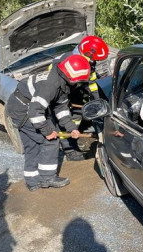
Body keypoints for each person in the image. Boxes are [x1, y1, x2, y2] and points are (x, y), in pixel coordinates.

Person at [6, 54, 91, 191]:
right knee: (51, 139)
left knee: (32, 145)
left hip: (20, 107)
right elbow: (35, 112)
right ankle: (47, 178)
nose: (79, 84)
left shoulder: (61, 81)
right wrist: (47, 131)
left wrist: (71, 128)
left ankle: (32, 181)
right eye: (78, 81)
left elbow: (61, 109)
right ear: (71, 77)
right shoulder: (51, 85)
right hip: (23, 110)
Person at [53, 35, 110, 161]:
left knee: (76, 118)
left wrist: (98, 101)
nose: (94, 62)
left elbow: (92, 83)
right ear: (88, 52)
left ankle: (73, 136)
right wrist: (62, 102)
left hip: (75, 92)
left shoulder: (89, 61)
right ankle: (69, 149)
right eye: (93, 59)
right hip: (60, 94)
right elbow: (55, 85)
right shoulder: (65, 61)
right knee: (64, 119)